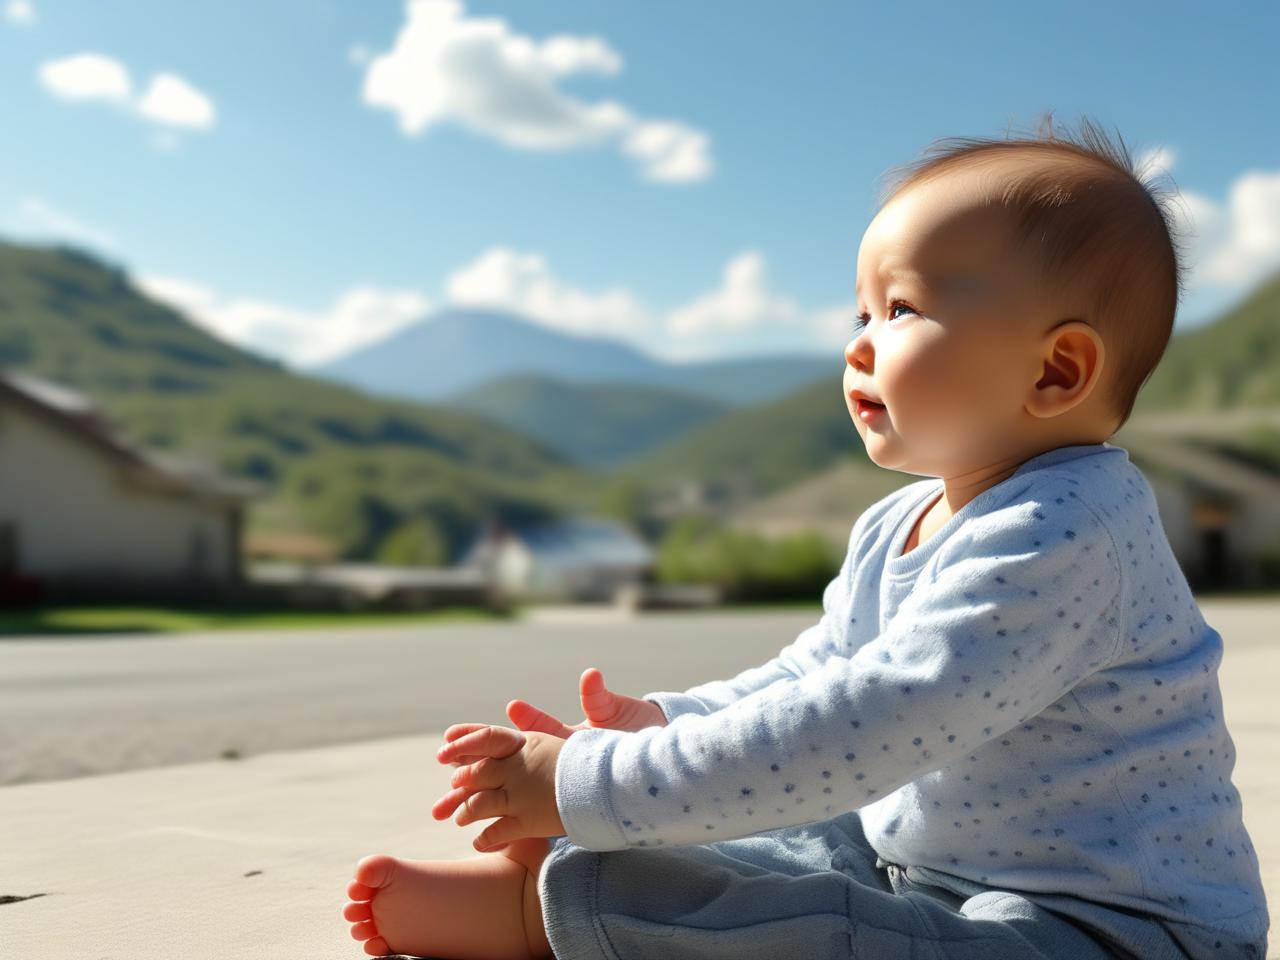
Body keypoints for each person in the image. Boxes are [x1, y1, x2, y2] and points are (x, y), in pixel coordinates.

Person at [341, 113, 1269, 959]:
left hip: (1107, 933)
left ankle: (551, 914)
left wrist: (602, 784)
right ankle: (573, 873)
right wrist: (668, 721)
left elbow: (862, 725)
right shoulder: (898, 522)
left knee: (808, 900)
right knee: (777, 825)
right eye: (860, 312)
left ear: (1057, 370)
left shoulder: (1065, 532)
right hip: (933, 872)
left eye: (901, 309)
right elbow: (814, 676)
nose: (859, 343)